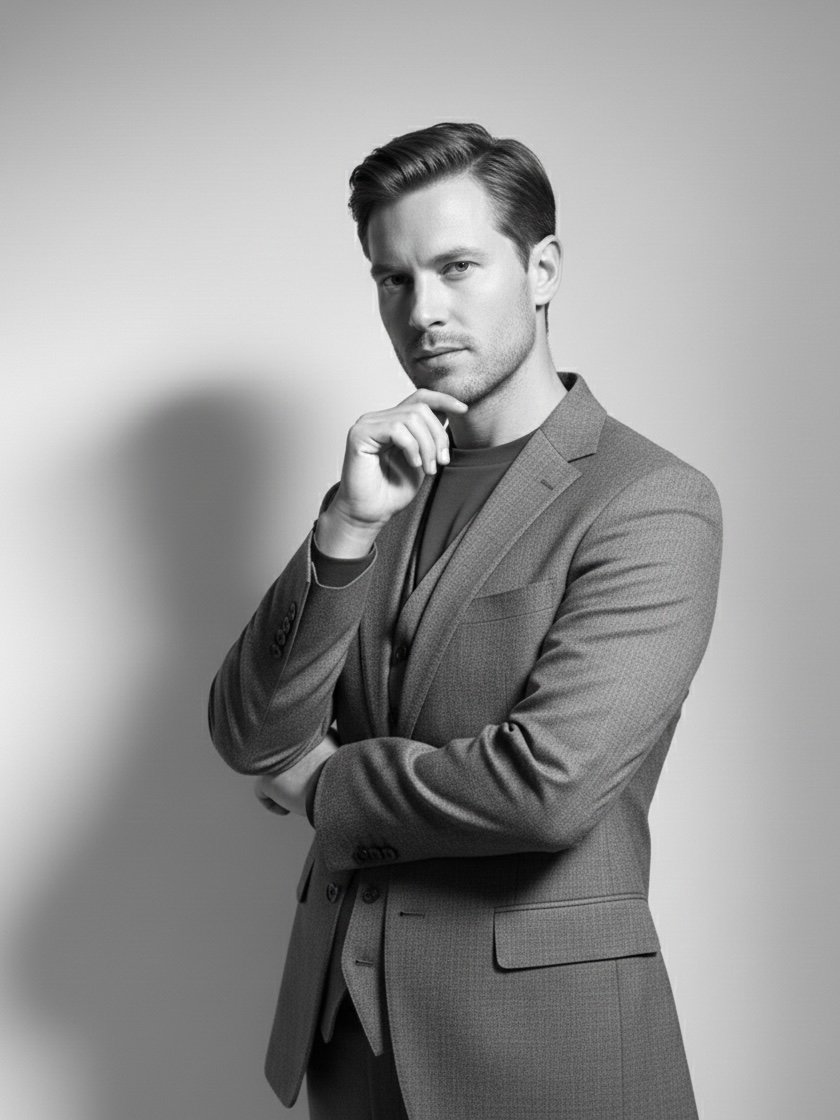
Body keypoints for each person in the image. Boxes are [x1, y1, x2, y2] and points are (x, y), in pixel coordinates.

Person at [208, 122, 722, 1120]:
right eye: (393, 278)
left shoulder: (649, 499)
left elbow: (546, 786)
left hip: (542, 1048)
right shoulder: (382, 485)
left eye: (456, 267)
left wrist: (327, 789)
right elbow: (249, 732)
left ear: (542, 269)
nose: (423, 310)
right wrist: (347, 525)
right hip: (351, 1032)